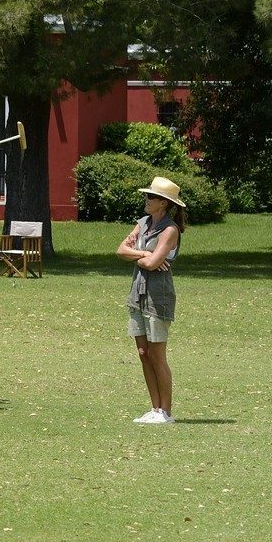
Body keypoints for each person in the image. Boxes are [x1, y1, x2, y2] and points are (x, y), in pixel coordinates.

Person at [117, 176, 185, 424]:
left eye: (151, 197)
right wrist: (144, 252)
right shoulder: (143, 223)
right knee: (143, 352)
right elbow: (120, 251)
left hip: (158, 298)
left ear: (164, 203)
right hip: (137, 294)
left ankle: (166, 412)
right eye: (147, 195)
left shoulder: (170, 230)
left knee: (157, 355)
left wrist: (141, 255)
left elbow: (154, 263)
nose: (146, 199)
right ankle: (154, 409)